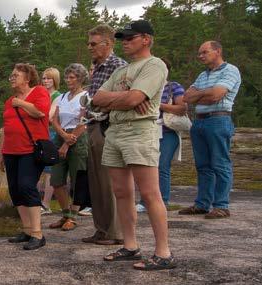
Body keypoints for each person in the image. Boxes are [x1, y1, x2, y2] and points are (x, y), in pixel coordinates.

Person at [92, 20, 175, 270]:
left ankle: (163, 252)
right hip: (115, 131)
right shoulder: (120, 71)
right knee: (121, 192)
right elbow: (96, 98)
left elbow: (136, 98)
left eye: (130, 38)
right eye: (123, 39)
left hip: (140, 130)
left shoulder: (154, 65)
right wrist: (125, 98)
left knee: (149, 193)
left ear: (146, 39)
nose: (125, 42)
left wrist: (126, 98)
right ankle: (130, 246)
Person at [180, 41, 241, 219]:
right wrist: (206, 94)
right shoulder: (202, 75)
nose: (200, 56)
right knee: (203, 166)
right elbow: (187, 96)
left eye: (204, 52)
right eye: (199, 53)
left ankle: (221, 205)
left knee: (220, 163)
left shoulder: (231, 70)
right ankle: (202, 204)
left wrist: (203, 95)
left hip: (218, 119)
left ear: (218, 51)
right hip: (199, 122)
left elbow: (217, 95)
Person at [81, 24, 128, 246]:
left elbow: (122, 97)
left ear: (108, 44)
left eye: (93, 43)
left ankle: (115, 232)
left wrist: (99, 105)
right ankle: (101, 229)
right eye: (89, 43)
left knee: (109, 182)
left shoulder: (119, 66)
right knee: (96, 182)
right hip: (92, 125)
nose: (89, 47)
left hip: (107, 126)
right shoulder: (97, 67)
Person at [1, 63, 50, 250]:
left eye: (16, 75)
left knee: (27, 186)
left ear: (27, 78)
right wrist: (1, 153)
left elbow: (40, 113)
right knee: (15, 189)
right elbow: (6, 128)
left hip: (31, 150)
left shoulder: (39, 92)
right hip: (10, 151)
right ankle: (28, 230)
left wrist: (20, 103)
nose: (12, 78)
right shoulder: (9, 100)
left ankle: (38, 234)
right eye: (11, 75)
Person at [136, 60, 186, 212]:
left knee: (162, 166)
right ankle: (145, 201)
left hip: (167, 132)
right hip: (147, 131)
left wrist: (158, 105)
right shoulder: (145, 88)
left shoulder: (174, 87)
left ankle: (162, 201)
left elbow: (182, 108)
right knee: (145, 166)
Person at [48, 64, 91, 231]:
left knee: (77, 177)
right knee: (57, 179)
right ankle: (65, 213)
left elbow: (84, 120)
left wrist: (68, 141)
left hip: (78, 137)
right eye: (67, 77)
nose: (69, 80)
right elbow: (55, 119)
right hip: (62, 135)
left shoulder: (86, 96)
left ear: (80, 78)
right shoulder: (63, 96)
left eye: (72, 77)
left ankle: (73, 216)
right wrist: (62, 135)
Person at [39, 67, 62, 214]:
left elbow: (49, 116)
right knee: (37, 168)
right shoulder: (40, 94)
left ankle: (46, 204)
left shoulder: (58, 96)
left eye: (49, 78)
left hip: (52, 134)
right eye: (44, 78)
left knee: (49, 170)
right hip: (40, 133)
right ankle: (36, 202)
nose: (46, 81)